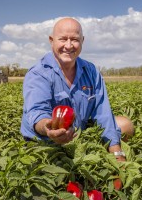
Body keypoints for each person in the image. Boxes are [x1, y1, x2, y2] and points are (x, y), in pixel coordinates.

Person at [21, 17, 134, 164]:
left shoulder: (90, 71)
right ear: (51, 40)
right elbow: (36, 112)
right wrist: (49, 128)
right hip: (46, 139)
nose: (68, 46)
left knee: (125, 125)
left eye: (74, 39)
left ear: (82, 41)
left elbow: (103, 113)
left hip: (76, 132)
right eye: (62, 39)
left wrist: (118, 154)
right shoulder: (39, 73)